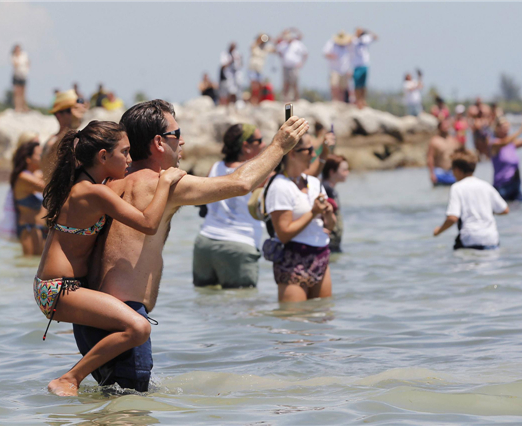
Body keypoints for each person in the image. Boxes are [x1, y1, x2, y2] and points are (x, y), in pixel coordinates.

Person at [73, 100, 309, 392]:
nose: (182, 140)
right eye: (177, 132)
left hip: (90, 320)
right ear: (158, 142)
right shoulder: (164, 184)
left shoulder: (109, 181)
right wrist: (280, 145)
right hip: (125, 320)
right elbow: (241, 183)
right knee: (129, 415)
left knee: (108, 408)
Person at [35, 120, 186, 396]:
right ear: (103, 156)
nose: (130, 160)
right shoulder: (94, 192)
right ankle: (70, 378)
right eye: (125, 153)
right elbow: (148, 223)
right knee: (138, 328)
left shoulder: (87, 183)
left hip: (61, 288)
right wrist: (164, 181)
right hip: (58, 290)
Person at [193, 123, 266, 288]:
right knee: (243, 306)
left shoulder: (215, 168)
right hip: (238, 246)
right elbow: (298, 173)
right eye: (259, 140)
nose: (264, 145)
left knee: (207, 305)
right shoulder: (256, 174)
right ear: (246, 146)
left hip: (205, 244)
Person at [265, 136, 336, 303]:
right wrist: (312, 213)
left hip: (321, 255)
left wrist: (328, 213)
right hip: (293, 260)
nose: (313, 154)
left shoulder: (314, 182)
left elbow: (330, 226)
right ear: (292, 154)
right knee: (293, 321)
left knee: (322, 317)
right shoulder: (280, 186)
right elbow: (284, 234)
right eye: (309, 150)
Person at [433, 149, 509, 250]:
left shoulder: (457, 187)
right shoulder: (486, 185)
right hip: (491, 238)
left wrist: (438, 231)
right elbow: (505, 210)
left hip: (470, 239)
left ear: (457, 170)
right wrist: (484, 211)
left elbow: (452, 218)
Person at [41, 89, 88, 182]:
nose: (75, 114)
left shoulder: (76, 138)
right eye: (70, 110)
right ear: (58, 115)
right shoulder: (52, 143)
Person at [10, 139, 46, 255]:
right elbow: (47, 187)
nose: (42, 157)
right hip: (29, 231)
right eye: (39, 155)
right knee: (28, 268)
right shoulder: (23, 177)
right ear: (28, 159)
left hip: (40, 230)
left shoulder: (36, 175)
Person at [490, 117, 522, 201]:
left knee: (520, 210)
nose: (506, 129)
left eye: (507, 127)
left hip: (515, 184)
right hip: (502, 186)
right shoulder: (494, 144)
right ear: (497, 128)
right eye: (504, 127)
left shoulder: (512, 143)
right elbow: (504, 142)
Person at [321, 155, 349, 253]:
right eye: (344, 170)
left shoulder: (328, 188)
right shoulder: (325, 189)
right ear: (332, 172)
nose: (347, 173)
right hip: (328, 242)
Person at [276, 28, 308, 102]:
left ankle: (296, 99)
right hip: (285, 66)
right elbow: (277, 47)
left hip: (294, 67)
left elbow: (305, 53)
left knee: (294, 83)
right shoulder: (282, 44)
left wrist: (301, 63)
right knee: (286, 83)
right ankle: (285, 99)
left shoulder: (297, 44)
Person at [427, 118, 462, 186]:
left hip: (451, 172)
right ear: (439, 127)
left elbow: (459, 155)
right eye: (444, 125)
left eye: (447, 125)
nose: (446, 127)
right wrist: (432, 174)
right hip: (439, 172)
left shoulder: (453, 140)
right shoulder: (434, 141)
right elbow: (430, 158)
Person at [323, 31, 353, 102]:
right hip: (334, 69)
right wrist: (332, 56)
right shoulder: (331, 43)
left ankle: (341, 101)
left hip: (345, 70)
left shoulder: (348, 46)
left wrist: (350, 70)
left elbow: (351, 58)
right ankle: (335, 100)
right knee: (334, 85)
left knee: (343, 87)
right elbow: (325, 53)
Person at [351, 28, 378, 108]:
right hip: (356, 65)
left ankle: (363, 100)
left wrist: (367, 31)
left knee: (363, 85)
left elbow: (376, 37)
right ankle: (357, 100)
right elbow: (347, 40)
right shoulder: (354, 40)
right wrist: (356, 35)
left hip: (365, 64)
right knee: (356, 85)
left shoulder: (365, 39)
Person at [248, 34, 276, 105]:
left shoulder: (266, 47)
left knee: (260, 86)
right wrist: (260, 39)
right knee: (254, 86)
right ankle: (253, 102)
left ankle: (258, 101)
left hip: (260, 69)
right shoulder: (254, 44)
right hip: (253, 68)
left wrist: (270, 39)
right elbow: (252, 47)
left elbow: (275, 50)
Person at [11, 44, 30, 113]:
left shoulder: (24, 55)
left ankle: (24, 107)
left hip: (23, 75)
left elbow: (28, 62)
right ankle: (17, 107)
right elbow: (15, 64)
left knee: (23, 93)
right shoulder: (13, 56)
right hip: (16, 76)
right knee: (17, 92)